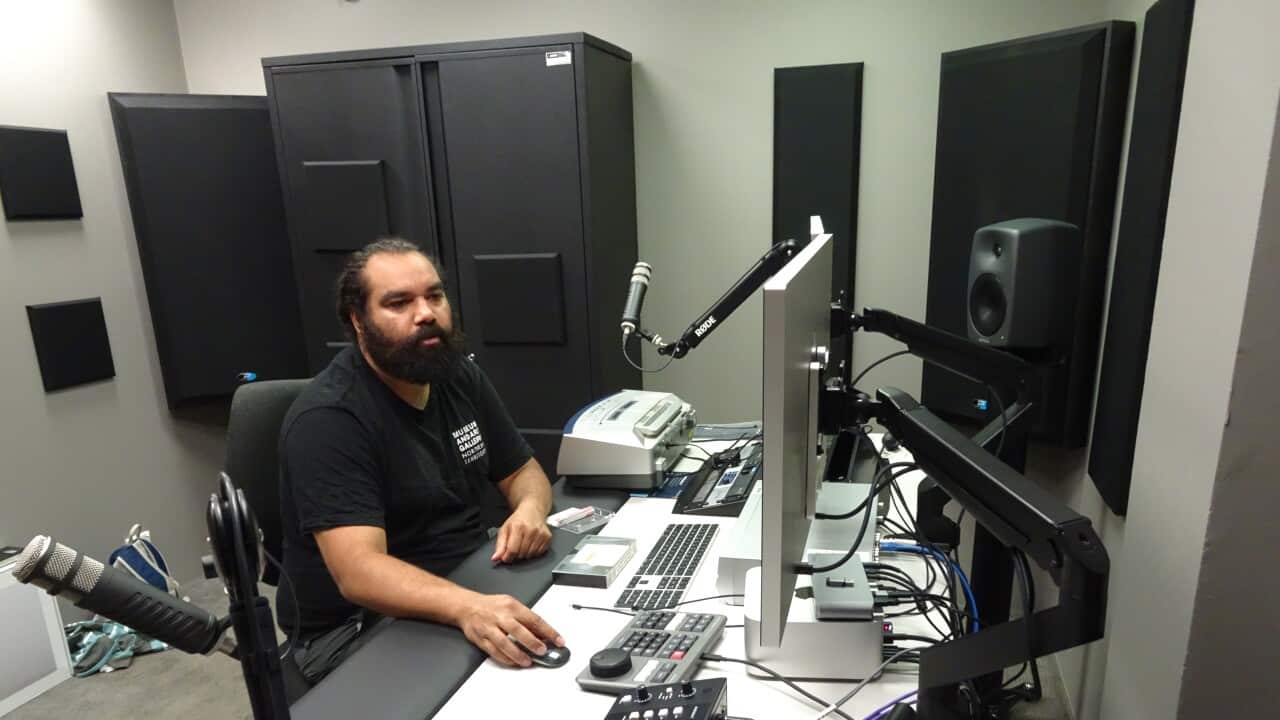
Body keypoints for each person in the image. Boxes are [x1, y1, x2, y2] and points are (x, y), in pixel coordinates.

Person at [276, 237, 562, 688]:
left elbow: (523, 472)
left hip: (467, 576)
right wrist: (468, 606)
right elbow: (359, 572)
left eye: (434, 295)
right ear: (358, 320)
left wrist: (529, 511)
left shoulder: (456, 374)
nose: (426, 312)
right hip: (358, 624)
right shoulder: (330, 419)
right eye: (399, 302)